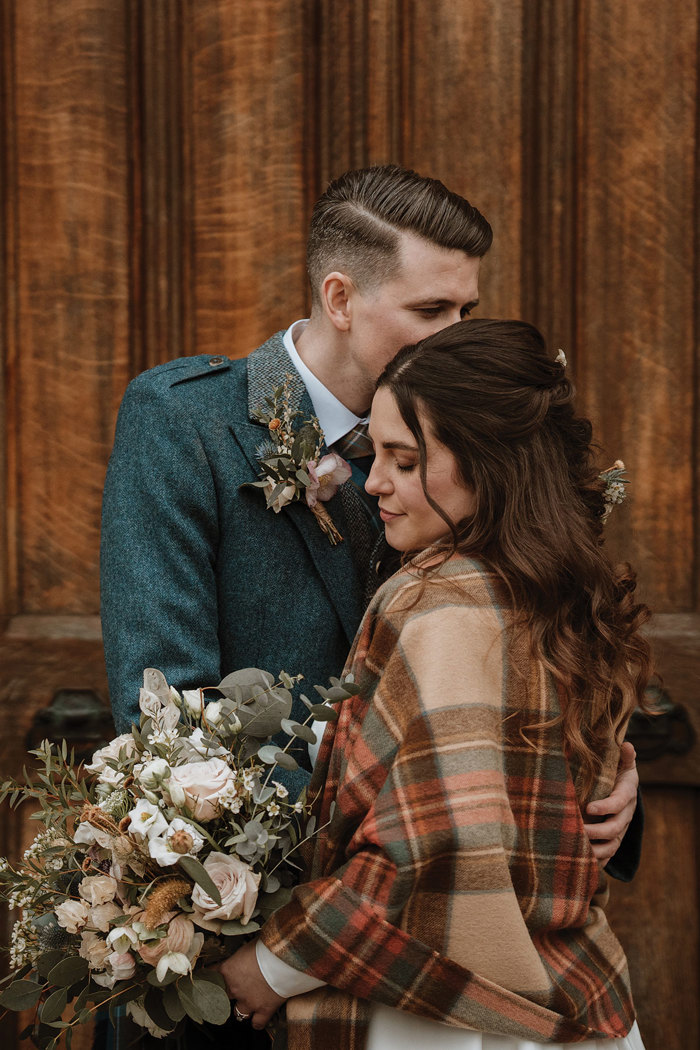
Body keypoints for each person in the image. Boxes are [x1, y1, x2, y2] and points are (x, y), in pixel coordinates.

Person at [101, 164, 640, 879]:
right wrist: (380, 850)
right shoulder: (185, 424)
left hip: (474, 891)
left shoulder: (484, 433)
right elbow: (167, 709)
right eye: (430, 310)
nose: (452, 337)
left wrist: (604, 778)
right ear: (341, 298)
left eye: (465, 312)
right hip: (270, 892)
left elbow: (556, 628)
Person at [217, 319, 651, 1050]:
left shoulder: (441, 608)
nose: (373, 480)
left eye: (405, 459)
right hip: (572, 999)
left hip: (445, 1019)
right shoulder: (558, 593)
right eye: (373, 452)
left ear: (489, 467)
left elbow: (432, 846)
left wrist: (275, 964)